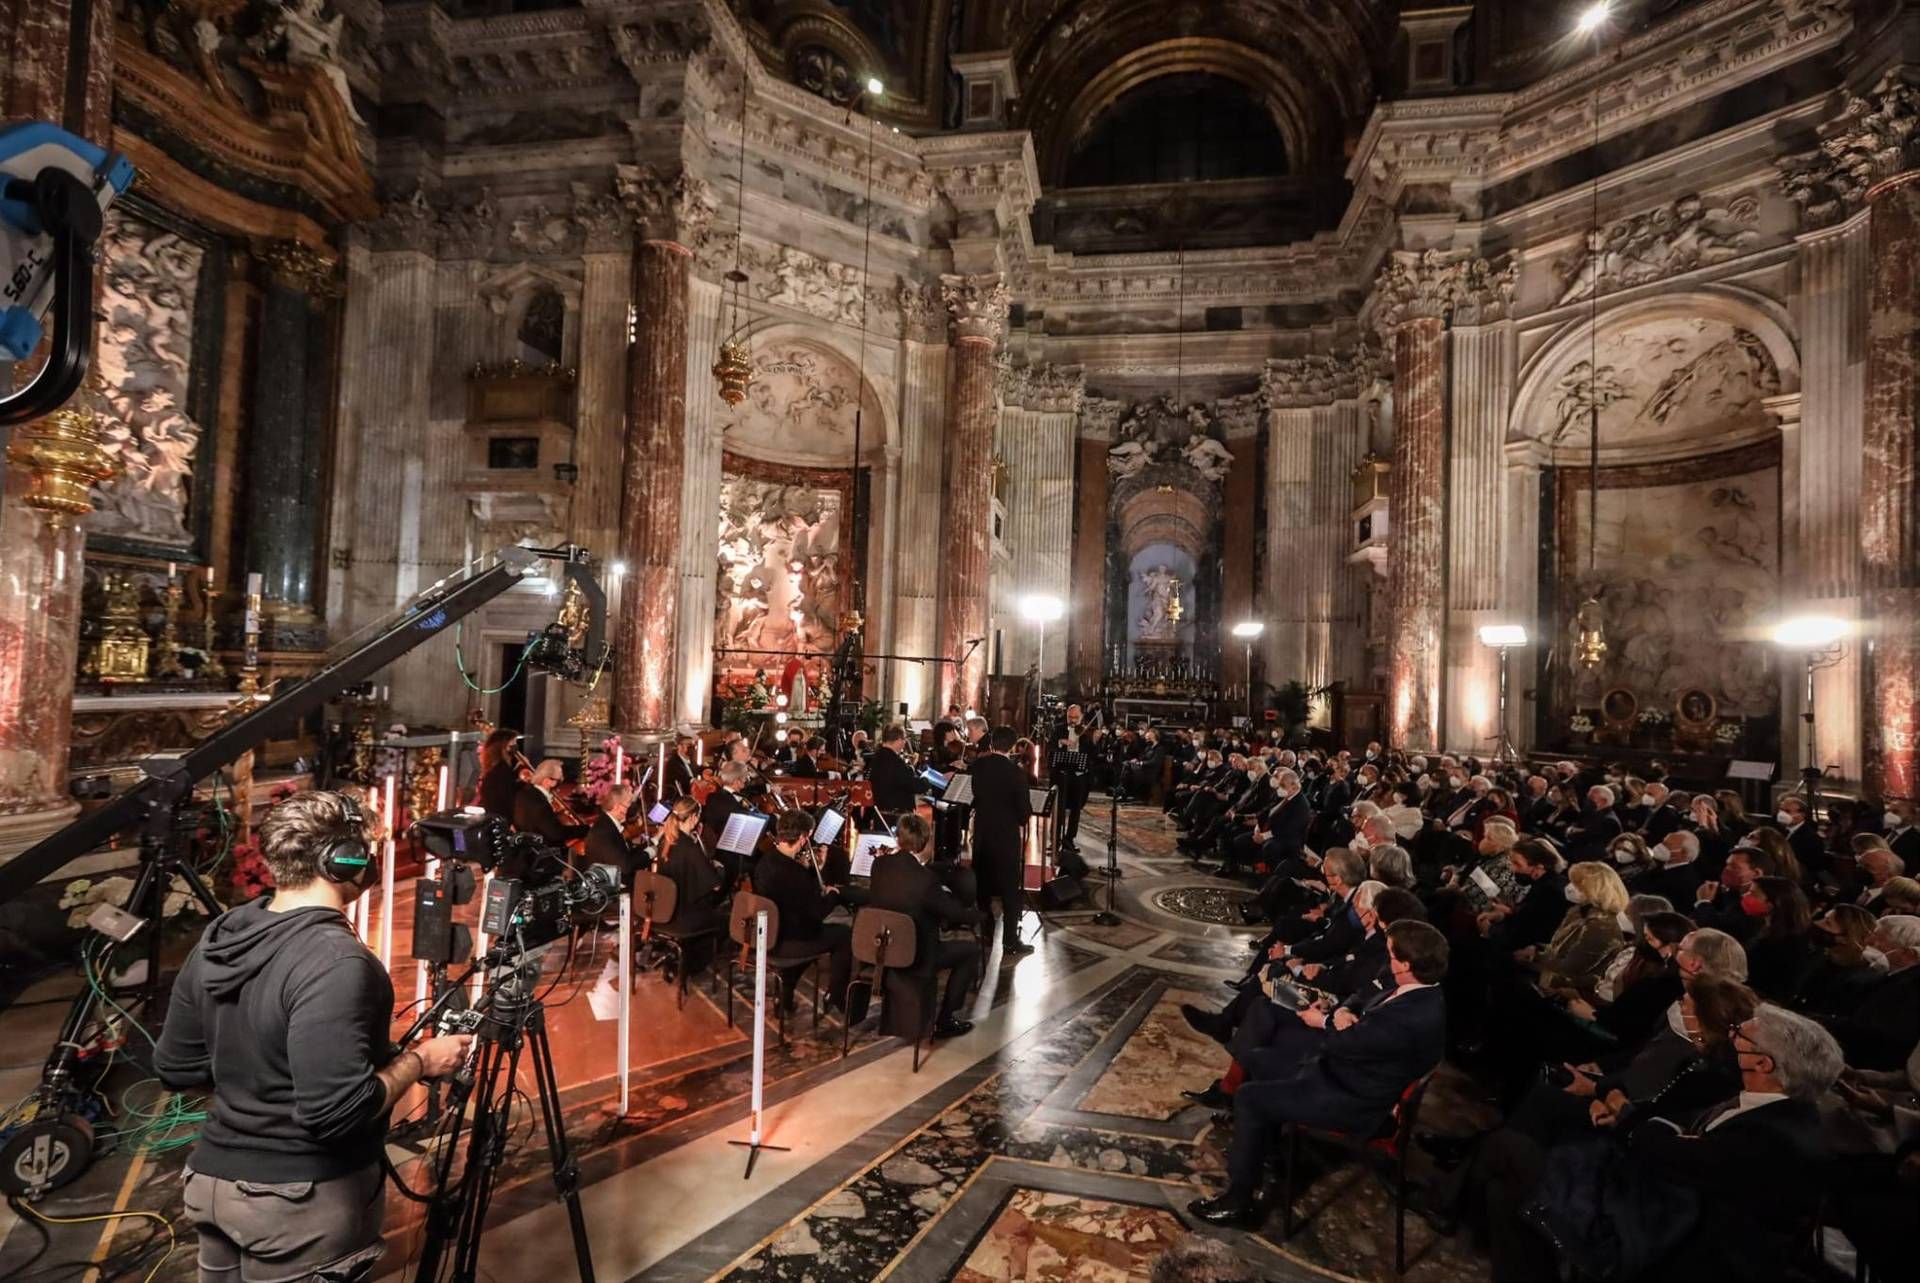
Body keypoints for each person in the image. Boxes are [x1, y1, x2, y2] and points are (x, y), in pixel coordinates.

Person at [155, 792, 475, 1283]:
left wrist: (256, 1094)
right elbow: (337, 1112)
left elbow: (176, 1068)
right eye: (367, 851)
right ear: (343, 860)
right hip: (296, 1203)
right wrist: (421, 1061)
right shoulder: (335, 961)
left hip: (211, 1184)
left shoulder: (223, 935)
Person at [1188, 920, 1450, 1226]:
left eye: (1391, 954)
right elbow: (1364, 995)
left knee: (1249, 1097)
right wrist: (1343, 1012)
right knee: (1258, 1060)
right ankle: (1267, 1151)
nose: (1387, 959)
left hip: (1353, 1096)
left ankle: (1239, 1200)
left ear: (1406, 965)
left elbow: (1341, 1044)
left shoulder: (1411, 1016)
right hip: (1347, 1072)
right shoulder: (1414, 988)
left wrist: (1323, 1021)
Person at [865, 812, 984, 1038]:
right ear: (923, 843)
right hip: (917, 955)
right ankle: (945, 1021)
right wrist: (977, 916)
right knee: (970, 951)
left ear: (898, 838)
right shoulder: (926, 879)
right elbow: (952, 913)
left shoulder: (879, 865)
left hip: (884, 949)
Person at [751, 809, 854, 1014]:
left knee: (812, 937)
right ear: (802, 838)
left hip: (767, 936)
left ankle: (785, 995)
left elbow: (794, 895)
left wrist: (809, 872)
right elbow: (818, 912)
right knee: (844, 935)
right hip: (789, 941)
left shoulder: (765, 861)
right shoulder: (795, 873)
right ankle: (835, 995)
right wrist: (833, 894)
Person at [969, 726, 1036, 953]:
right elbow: (1024, 814)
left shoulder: (979, 766)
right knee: (1010, 891)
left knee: (983, 887)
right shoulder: (1016, 773)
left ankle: (986, 932)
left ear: (991, 743)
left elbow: (976, 795)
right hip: (1006, 838)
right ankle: (1009, 940)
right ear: (1012, 746)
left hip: (982, 834)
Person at [588, 781, 645, 883]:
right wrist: (649, 853)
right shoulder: (603, 833)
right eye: (629, 803)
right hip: (610, 886)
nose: (631, 808)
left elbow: (626, 855)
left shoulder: (607, 823)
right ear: (617, 806)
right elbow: (625, 867)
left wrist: (651, 845)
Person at [867, 723, 920, 816]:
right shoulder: (894, 760)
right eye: (904, 739)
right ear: (899, 740)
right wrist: (926, 781)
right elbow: (911, 784)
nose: (905, 742)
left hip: (880, 810)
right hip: (894, 814)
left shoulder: (878, 756)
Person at [476, 727, 522, 819]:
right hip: (502, 818)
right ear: (504, 746)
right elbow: (507, 798)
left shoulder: (496, 769)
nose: (515, 745)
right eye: (513, 742)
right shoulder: (502, 771)